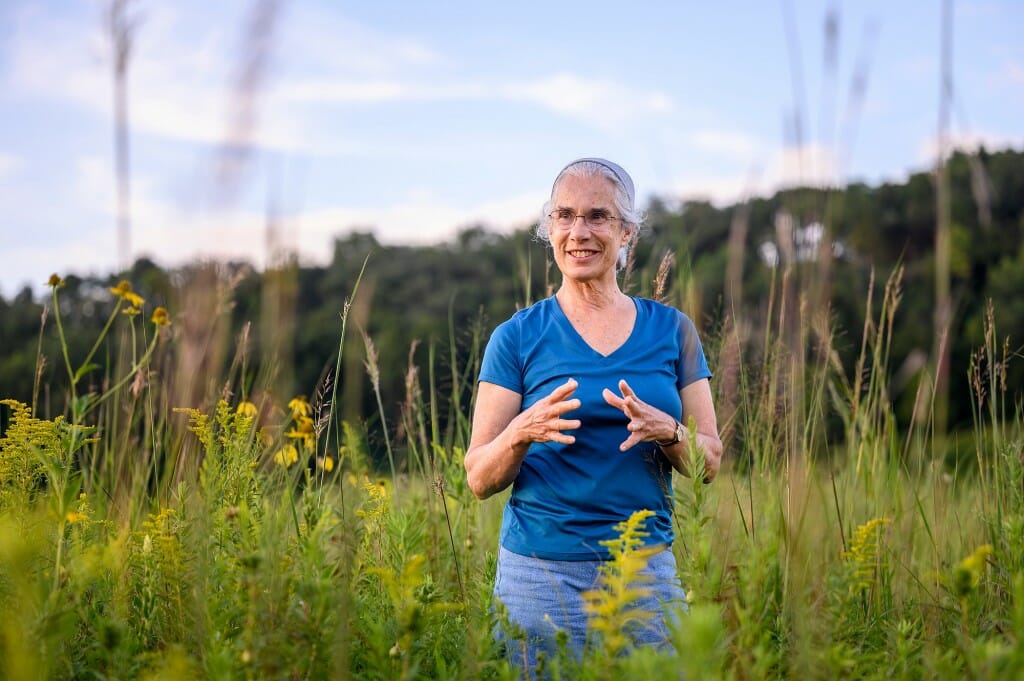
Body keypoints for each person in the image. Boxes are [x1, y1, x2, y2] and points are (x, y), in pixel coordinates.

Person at [464, 157, 723, 673]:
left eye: (597, 216)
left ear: (626, 231)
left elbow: (708, 462)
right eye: (564, 216)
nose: (579, 232)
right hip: (538, 576)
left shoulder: (674, 331)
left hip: (643, 573)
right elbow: (478, 477)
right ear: (550, 229)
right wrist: (520, 433)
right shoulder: (515, 337)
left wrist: (668, 431)